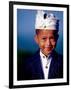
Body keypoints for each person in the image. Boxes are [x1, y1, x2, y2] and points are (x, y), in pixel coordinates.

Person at [22, 10, 63, 80]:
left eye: (52, 38)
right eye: (44, 38)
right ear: (36, 39)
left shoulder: (64, 62)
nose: (48, 43)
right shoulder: (27, 64)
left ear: (57, 38)